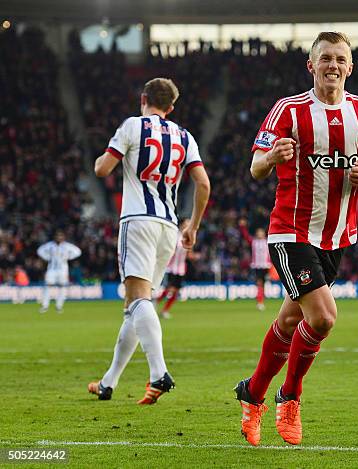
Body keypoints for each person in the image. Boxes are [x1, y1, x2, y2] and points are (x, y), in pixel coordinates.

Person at [235, 32, 358, 446]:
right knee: (322, 317)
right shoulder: (288, 110)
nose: (333, 65)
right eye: (325, 58)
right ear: (311, 65)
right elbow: (255, 167)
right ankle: (290, 397)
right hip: (291, 230)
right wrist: (272, 157)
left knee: (290, 321)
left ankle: (251, 395)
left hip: (337, 236)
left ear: (350, 66)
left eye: (340, 58)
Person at [88, 78, 211, 404]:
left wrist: (102, 159)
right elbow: (203, 184)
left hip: (138, 221)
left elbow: (103, 170)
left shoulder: (132, 126)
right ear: (170, 108)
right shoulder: (185, 136)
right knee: (135, 304)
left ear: (143, 99)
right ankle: (107, 382)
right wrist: (194, 227)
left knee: (138, 298)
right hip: (169, 228)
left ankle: (159, 373)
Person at [37, 231, 81, 313]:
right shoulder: (50, 245)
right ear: (55, 237)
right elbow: (39, 250)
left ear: (63, 237)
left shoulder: (67, 246)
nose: (59, 238)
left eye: (60, 236)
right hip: (51, 269)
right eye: (57, 236)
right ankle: (45, 306)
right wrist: (47, 257)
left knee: (62, 287)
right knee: (48, 286)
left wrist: (69, 257)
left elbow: (78, 252)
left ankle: (59, 306)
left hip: (63, 269)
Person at [156, 218, 193, 319]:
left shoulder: (188, 237)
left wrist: (195, 256)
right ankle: (154, 304)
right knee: (170, 289)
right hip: (171, 268)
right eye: (187, 223)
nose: (188, 225)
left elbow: (189, 254)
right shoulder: (175, 236)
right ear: (181, 225)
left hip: (180, 269)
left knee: (175, 292)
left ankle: (164, 311)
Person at [239, 218, 271, 311]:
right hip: (257, 266)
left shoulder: (268, 241)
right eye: (258, 232)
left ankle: (261, 300)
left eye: (261, 232)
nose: (260, 234)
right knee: (259, 283)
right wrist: (242, 227)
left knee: (263, 285)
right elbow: (246, 236)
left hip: (266, 266)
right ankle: (260, 302)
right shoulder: (254, 242)